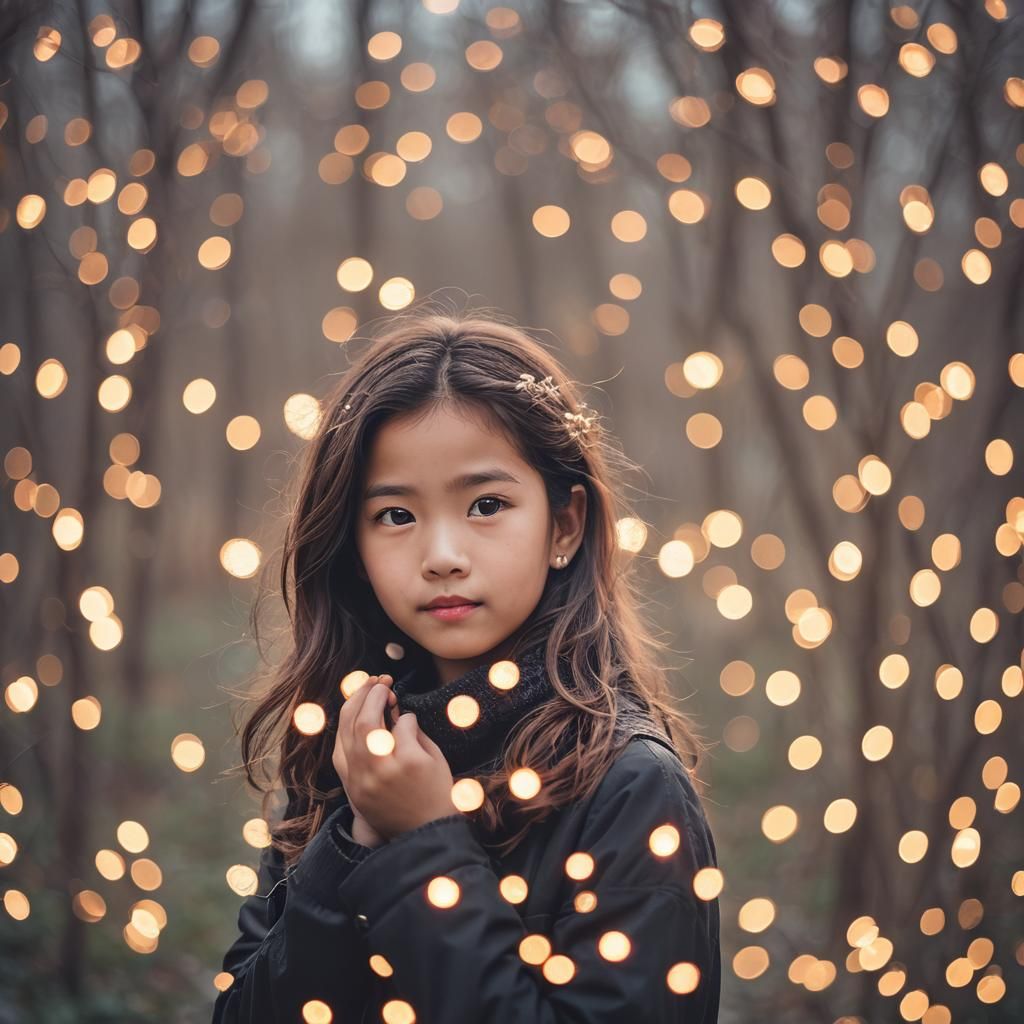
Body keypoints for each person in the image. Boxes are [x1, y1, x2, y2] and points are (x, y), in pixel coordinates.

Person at [211, 305, 722, 1023]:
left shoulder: (631, 789)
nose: (443, 554)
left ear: (564, 525)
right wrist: (356, 840)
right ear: (352, 545)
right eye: (396, 515)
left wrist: (424, 848)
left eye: (486, 504)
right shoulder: (347, 753)